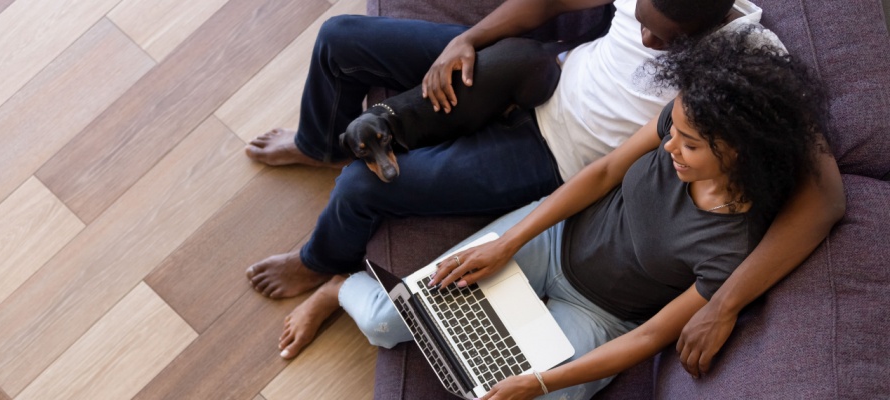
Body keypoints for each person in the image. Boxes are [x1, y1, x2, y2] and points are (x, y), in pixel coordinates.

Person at [251, 0, 846, 374]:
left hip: (548, 157)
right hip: (533, 74)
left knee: (360, 188)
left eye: (664, 43)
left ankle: (322, 266)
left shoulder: (749, 69)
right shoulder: (663, 56)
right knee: (338, 38)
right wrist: (471, 39)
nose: (645, 42)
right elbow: (554, 2)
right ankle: (317, 143)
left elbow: (824, 198)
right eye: (641, 23)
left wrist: (724, 304)